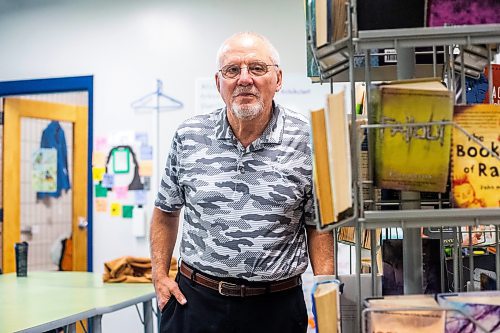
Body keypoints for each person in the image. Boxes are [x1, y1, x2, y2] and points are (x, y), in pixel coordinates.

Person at [150, 31, 334, 333]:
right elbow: (165, 212)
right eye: (232, 70)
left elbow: (319, 224)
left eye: (257, 68)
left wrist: (325, 289)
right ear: (218, 83)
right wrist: (159, 275)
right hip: (195, 304)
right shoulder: (190, 136)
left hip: (276, 309)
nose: (244, 78)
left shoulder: (309, 138)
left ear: (278, 79)